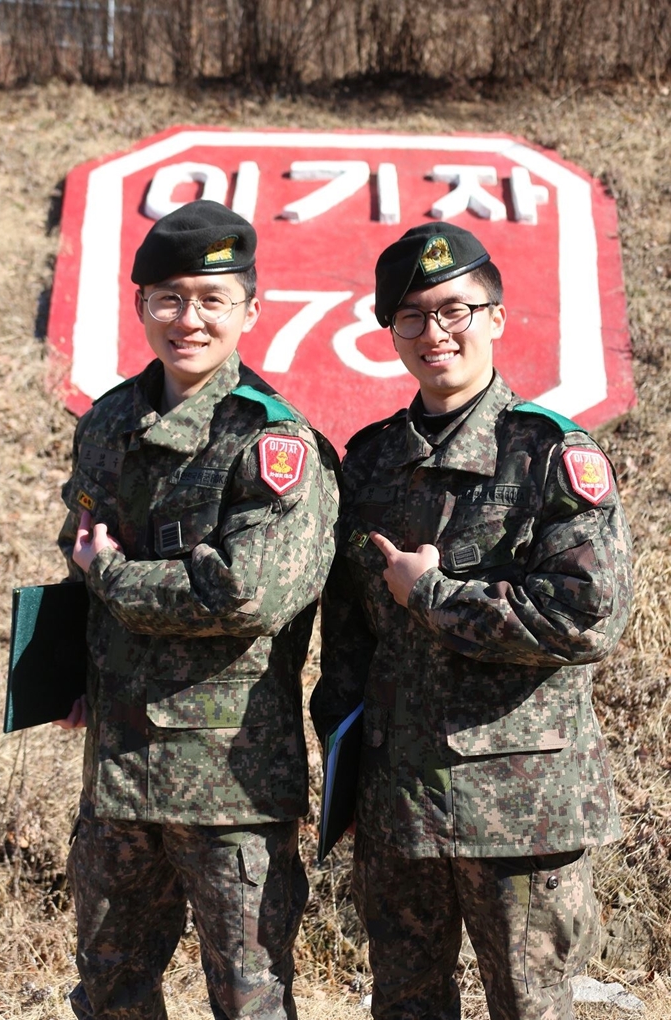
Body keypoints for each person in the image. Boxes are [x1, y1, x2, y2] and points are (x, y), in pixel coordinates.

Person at [311, 222, 633, 1020]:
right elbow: (347, 630)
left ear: (495, 316)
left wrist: (436, 596)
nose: (435, 333)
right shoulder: (372, 459)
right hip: (400, 805)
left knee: (532, 1007)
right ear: (391, 333)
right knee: (405, 1004)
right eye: (412, 317)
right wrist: (342, 759)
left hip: (520, 812)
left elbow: (588, 617)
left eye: (456, 310)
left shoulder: (552, 455)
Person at [54, 199, 340, 1020]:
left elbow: (245, 594)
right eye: (169, 298)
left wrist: (112, 575)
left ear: (251, 309)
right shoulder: (110, 420)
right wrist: (65, 672)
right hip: (117, 775)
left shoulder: (274, 444)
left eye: (213, 299)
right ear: (141, 304)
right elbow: (75, 547)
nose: (190, 318)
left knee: (249, 1002)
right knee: (110, 993)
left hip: (230, 788)